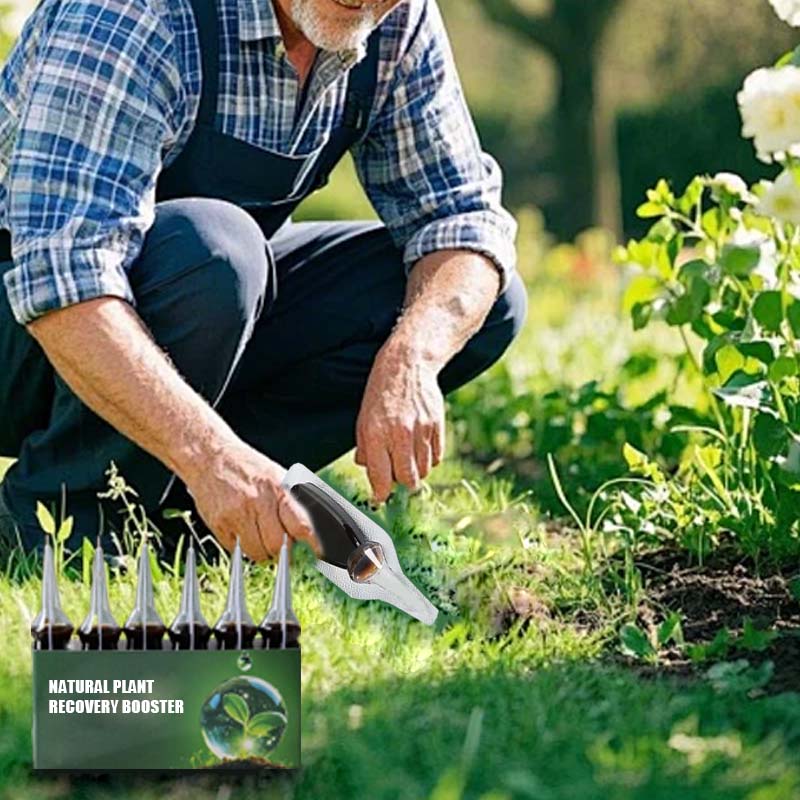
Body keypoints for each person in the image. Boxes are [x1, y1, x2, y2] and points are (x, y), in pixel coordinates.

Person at [0, 0, 526, 561]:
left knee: (478, 301)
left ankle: (206, 512)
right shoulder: (133, 12)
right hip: (32, 326)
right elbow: (62, 277)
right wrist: (211, 456)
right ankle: (54, 518)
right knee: (220, 252)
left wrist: (410, 360)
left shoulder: (395, 18)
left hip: (195, 313)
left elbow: (460, 218)